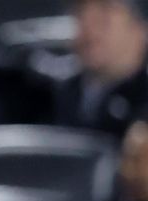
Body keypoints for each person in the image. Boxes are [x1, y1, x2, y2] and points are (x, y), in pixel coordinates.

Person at [52, 0, 148, 138]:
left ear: (141, 27)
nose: (88, 24)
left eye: (105, 9)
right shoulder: (49, 96)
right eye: (80, 10)